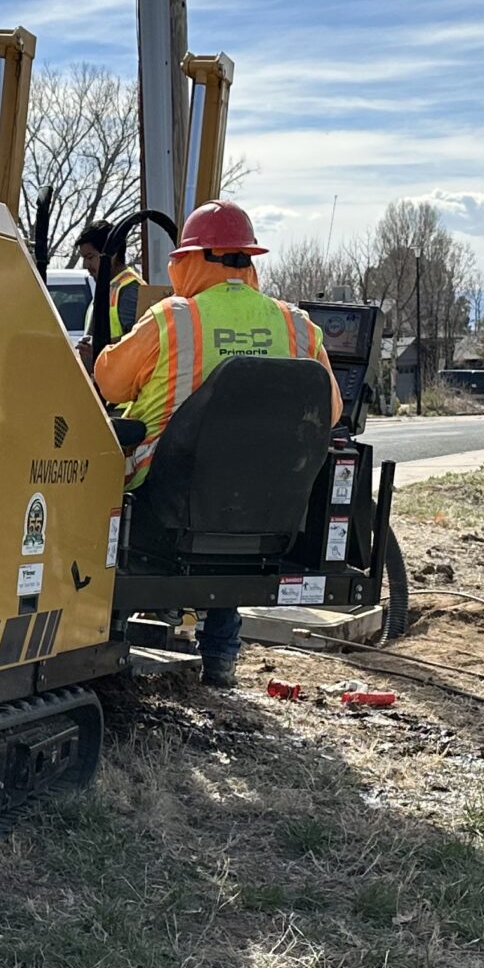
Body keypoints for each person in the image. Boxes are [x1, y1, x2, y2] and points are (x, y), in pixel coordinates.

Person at [94, 199, 341, 689]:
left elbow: (108, 384)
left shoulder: (174, 319)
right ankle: (222, 655)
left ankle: (110, 641)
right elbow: (329, 412)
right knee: (230, 483)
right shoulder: (297, 325)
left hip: (162, 505)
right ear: (248, 261)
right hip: (266, 514)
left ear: (191, 259)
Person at [74, 221, 144, 361]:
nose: (86, 265)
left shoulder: (130, 289)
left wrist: (99, 349)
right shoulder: (109, 287)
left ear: (112, 254)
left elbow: (139, 342)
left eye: (90, 257)